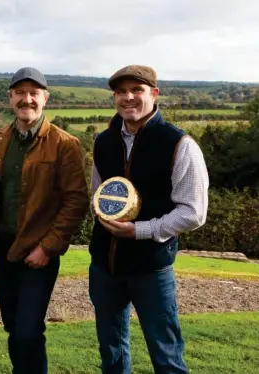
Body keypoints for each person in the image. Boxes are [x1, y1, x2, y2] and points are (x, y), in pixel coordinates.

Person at [88, 65, 209, 373]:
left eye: (137, 90)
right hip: (105, 265)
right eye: (121, 92)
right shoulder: (103, 141)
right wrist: (100, 213)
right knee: (111, 353)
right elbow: (97, 194)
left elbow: (193, 212)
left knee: (166, 355)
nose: (128, 97)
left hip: (151, 268)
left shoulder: (179, 144)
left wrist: (140, 230)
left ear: (154, 94)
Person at [0, 67, 89, 374]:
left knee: (28, 331)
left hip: (37, 251)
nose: (27, 100)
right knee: (13, 326)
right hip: (1, 247)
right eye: (20, 93)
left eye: (34, 93)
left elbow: (76, 201)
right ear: (10, 98)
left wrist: (48, 248)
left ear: (46, 98)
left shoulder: (65, 143)